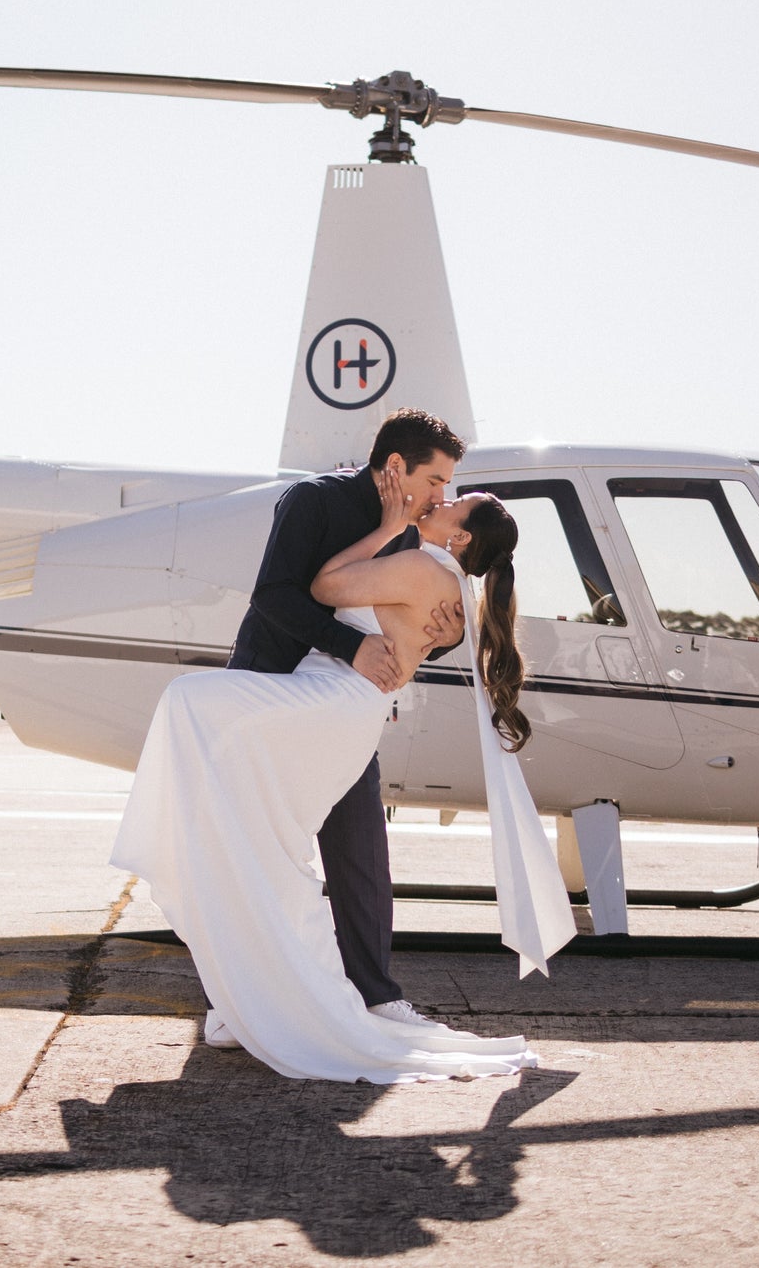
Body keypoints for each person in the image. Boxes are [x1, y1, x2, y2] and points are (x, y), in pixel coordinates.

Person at [110, 479, 548, 1081]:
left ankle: (268, 992)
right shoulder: (443, 581)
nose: (440, 501)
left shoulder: (423, 565)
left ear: (462, 535)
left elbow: (324, 586)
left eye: (453, 503)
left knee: (190, 701)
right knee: (269, 842)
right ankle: (253, 994)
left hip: (332, 699)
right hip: (342, 707)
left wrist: (386, 529)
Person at [213, 408, 469, 1046]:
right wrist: (349, 648)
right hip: (267, 695)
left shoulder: (411, 541)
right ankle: (233, 1003)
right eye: (435, 481)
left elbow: (397, 627)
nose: (443, 497)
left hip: (341, 712)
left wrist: (437, 641)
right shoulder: (310, 501)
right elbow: (273, 594)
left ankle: (376, 999)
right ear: (394, 468)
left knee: (360, 851)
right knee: (259, 855)